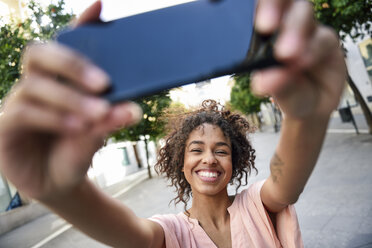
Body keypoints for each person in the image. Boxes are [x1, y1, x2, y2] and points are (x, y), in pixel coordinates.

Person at [0, 0, 346, 247]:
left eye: (221, 150)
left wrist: (306, 117)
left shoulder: (257, 203)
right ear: (180, 161)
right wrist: (60, 192)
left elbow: (287, 183)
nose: (209, 159)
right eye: (196, 149)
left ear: (235, 161)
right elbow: (129, 235)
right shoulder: (167, 233)